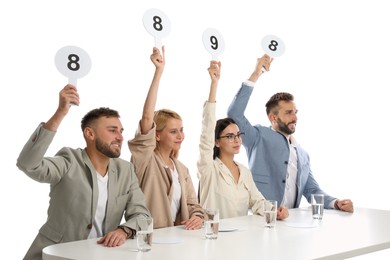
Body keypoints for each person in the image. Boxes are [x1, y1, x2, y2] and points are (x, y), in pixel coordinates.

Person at [16, 85, 151, 260]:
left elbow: (142, 215)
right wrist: (60, 113)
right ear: (90, 134)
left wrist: (124, 230)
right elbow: (28, 164)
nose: (120, 137)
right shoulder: (68, 160)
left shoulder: (125, 170)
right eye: (112, 130)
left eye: (121, 131)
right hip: (56, 255)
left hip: (102, 255)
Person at [227, 54, 354, 213]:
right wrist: (256, 73)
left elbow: (312, 191)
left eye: (295, 112)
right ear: (273, 117)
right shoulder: (257, 137)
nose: (295, 117)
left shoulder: (303, 154)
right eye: (288, 113)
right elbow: (234, 113)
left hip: (290, 225)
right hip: (261, 221)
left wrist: (336, 203)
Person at [197, 60, 289, 220]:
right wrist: (214, 84)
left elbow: (258, 202)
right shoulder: (209, 169)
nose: (237, 140)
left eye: (238, 135)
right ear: (217, 142)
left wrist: (276, 210)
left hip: (240, 239)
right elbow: (207, 132)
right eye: (230, 136)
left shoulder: (244, 172)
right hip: (213, 238)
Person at [128, 46, 203, 229]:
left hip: (177, 240)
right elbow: (147, 118)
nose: (181, 136)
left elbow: (194, 205)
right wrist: (159, 72)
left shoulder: (181, 169)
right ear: (157, 135)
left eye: (181, 130)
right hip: (147, 240)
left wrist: (198, 217)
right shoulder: (145, 160)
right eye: (173, 131)